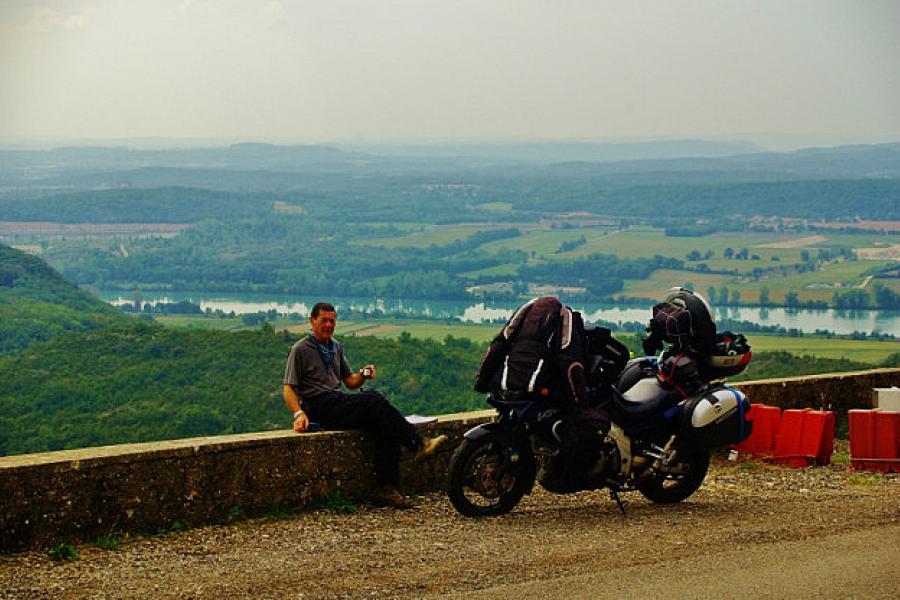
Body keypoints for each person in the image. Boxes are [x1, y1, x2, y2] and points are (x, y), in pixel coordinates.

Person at [283, 302, 447, 509]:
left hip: (337, 401)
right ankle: (418, 443)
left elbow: (349, 382)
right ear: (312, 320)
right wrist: (298, 414)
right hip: (318, 405)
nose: (328, 325)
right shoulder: (300, 349)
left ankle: (387, 489)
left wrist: (362, 375)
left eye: (332, 321)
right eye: (323, 320)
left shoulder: (335, 347)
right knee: (374, 399)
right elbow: (288, 387)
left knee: (386, 424)